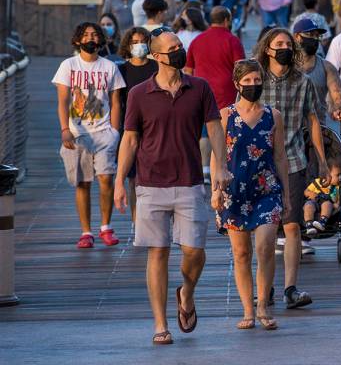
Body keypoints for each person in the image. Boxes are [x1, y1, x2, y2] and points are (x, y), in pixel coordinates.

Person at [114, 29, 232, 345]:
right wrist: (119, 182)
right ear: (156, 56)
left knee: (195, 251)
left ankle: (187, 293)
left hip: (190, 180)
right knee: (159, 252)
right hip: (150, 183)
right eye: (172, 48)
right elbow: (130, 139)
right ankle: (159, 324)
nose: (179, 51)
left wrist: (221, 167)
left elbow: (215, 129)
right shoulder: (139, 93)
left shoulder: (200, 87)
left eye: (180, 46)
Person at [254, 27, 330, 309]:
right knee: (265, 229)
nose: (284, 47)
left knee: (292, 225)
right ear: (267, 49)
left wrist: (321, 160)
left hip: (295, 158)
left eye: (288, 43)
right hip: (260, 160)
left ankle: (290, 288)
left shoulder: (304, 81)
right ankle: (265, 287)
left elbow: (313, 121)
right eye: (278, 43)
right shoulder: (256, 79)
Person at [212, 59, 289, 331]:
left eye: (257, 81)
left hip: (266, 188)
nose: (253, 86)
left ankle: (263, 306)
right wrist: (215, 190)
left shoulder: (273, 115)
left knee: (265, 246)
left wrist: (287, 196)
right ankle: (247, 310)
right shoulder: (225, 115)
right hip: (234, 192)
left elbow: (280, 156)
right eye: (248, 82)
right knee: (241, 252)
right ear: (237, 84)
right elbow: (217, 156)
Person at [52, 22, 126, 248]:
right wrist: (65, 129)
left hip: (104, 132)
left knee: (106, 179)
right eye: (85, 35)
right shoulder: (68, 65)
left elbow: (116, 102)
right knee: (82, 183)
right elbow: (63, 101)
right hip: (77, 134)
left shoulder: (110, 67)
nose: (90, 38)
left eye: (94, 34)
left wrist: (115, 132)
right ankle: (86, 232)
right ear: (78, 40)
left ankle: (105, 227)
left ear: (101, 40)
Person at [186, 6, 246, 181]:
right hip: (227, 93)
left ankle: (205, 168)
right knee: (227, 129)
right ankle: (224, 165)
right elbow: (241, 68)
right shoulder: (232, 40)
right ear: (227, 20)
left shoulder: (197, 40)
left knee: (205, 130)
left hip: (202, 92)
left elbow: (188, 70)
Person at [116, 27, 158, 221]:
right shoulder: (121, 69)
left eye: (142, 41)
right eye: (134, 42)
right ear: (128, 45)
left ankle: (154, 217)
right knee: (133, 179)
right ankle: (136, 221)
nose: (138, 45)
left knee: (154, 176)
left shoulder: (156, 67)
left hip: (155, 128)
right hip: (131, 127)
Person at [293, 18, 341, 125]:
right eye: (310, 34)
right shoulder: (284, 65)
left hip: (317, 129)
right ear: (297, 37)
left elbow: (337, 94)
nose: (315, 39)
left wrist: (339, 109)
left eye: (317, 36)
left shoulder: (327, 67)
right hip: (289, 129)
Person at [302, 155, 341, 235]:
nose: (340, 178)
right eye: (337, 175)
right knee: (308, 206)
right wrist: (310, 193)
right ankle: (309, 224)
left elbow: (336, 202)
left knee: (327, 204)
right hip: (313, 201)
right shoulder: (317, 182)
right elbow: (306, 191)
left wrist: (336, 204)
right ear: (327, 174)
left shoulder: (335, 188)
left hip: (325, 202)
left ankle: (322, 221)